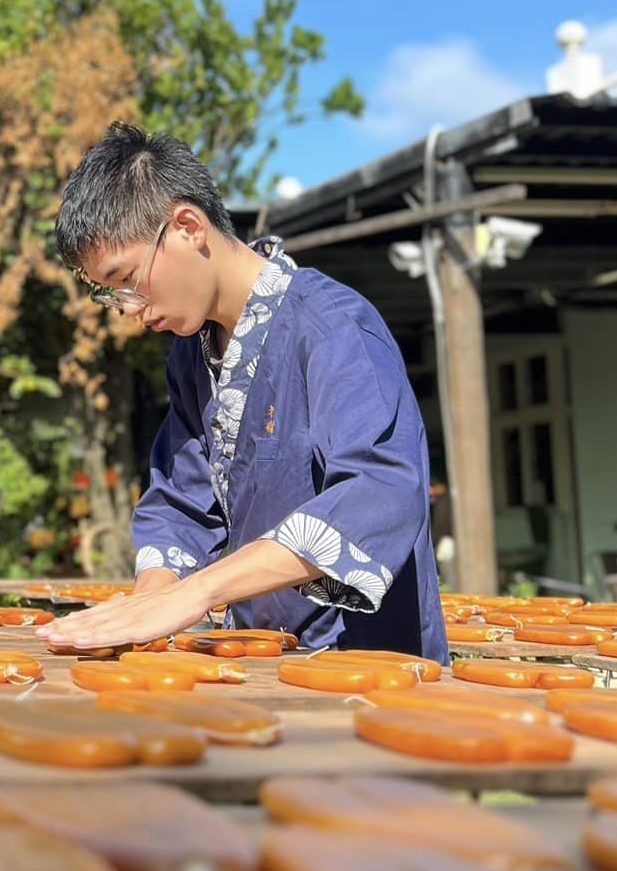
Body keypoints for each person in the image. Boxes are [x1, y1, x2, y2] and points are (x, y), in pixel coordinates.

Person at [36, 124, 447, 662]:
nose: (130, 308)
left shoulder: (333, 327)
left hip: (369, 666)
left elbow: (380, 492)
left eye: (129, 279)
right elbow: (182, 500)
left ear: (187, 226)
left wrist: (198, 591)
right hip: (259, 662)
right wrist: (153, 598)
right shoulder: (191, 355)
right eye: (114, 295)